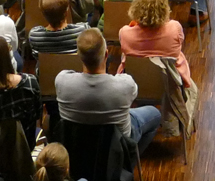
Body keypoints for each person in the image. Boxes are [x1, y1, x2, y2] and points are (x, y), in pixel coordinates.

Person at [56, 27, 164, 155]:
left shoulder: (62, 81)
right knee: (155, 113)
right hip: (118, 144)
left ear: (79, 56)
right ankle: (126, 163)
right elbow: (133, 95)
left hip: (78, 145)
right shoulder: (124, 84)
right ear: (106, 54)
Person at [119, 0, 196, 134]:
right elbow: (179, 45)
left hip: (135, 85)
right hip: (171, 87)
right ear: (165, 9)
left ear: (137, 7)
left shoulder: (125, 33)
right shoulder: (175, 28)